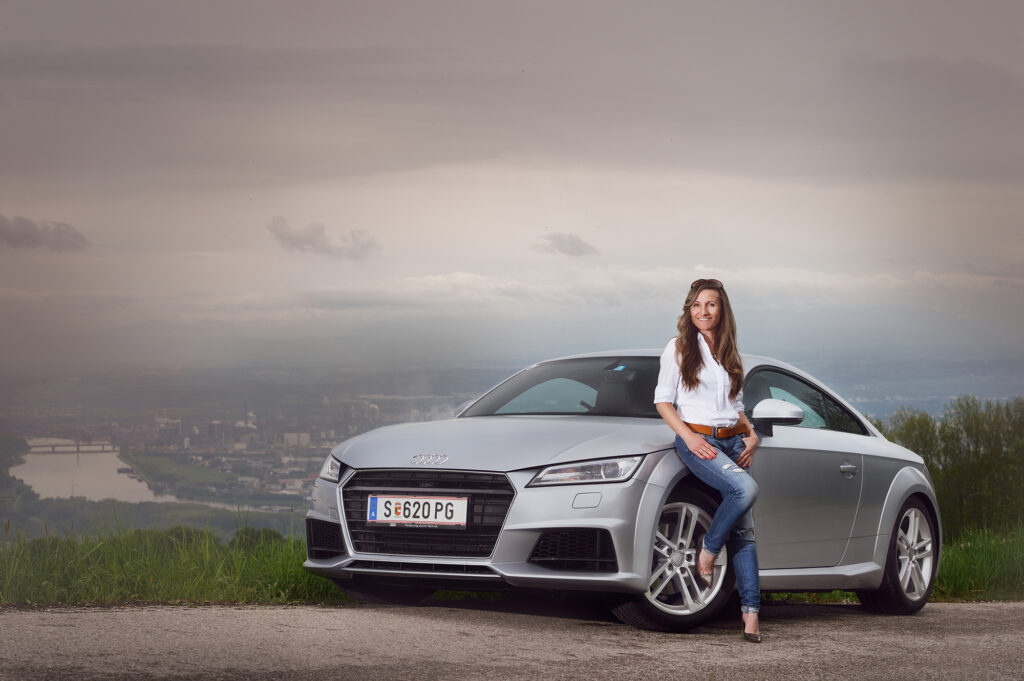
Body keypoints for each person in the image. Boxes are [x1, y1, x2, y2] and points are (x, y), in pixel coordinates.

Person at [653, 278, 762, 642]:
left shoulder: (730, 352)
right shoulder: (679, 347)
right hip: (698, 441)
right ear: (689, 309)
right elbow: (663, 401)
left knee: (745, 532)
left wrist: (751, 434)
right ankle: (709, 549)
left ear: (721, 309)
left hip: (733, 443)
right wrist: (689, 436)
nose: (703, 311)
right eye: (697, 305)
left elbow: (736, 406)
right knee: (745, 489)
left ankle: (751, 613)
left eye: (711, 304)